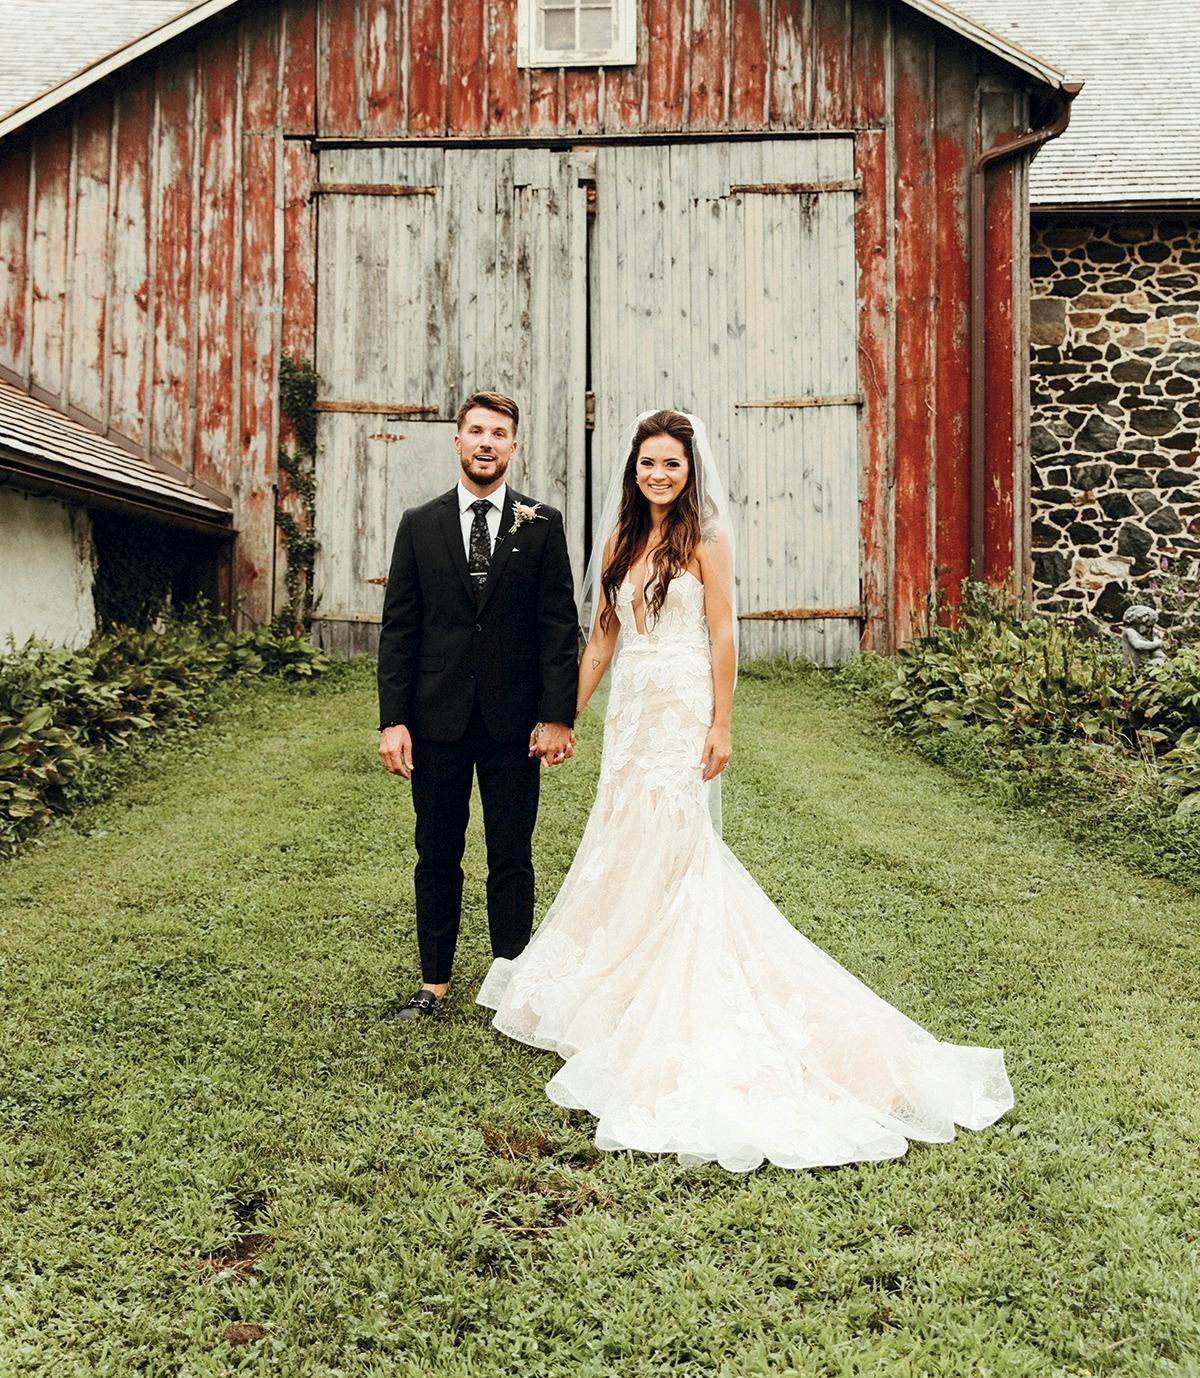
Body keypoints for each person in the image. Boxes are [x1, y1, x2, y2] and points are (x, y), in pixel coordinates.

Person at [477, 409, 1014, 1171]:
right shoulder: (622, 540)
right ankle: (620, 973)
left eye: (671, 464)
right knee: (622, 833)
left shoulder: (708, 541)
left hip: (682, 707)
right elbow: (601, 635)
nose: (658, 475)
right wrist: (562, 715)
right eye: (647, 464)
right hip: (633, 709)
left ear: (690, 470)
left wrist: (722, 723)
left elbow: (724, 634)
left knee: (676, 836)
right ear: (633, 470)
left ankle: (676, 974)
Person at [377, 391, 578, 1021]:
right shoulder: (420, 523)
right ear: (457, 442)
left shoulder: (541, 524)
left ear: (513, 447)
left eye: (499, 433)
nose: (486, 442)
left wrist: (557, 716)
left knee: (510, 854)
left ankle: (509, 981)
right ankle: (433, 982)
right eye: (476, 432)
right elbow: (400, 629)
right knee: (436, 850)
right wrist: (393, 719)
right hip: (436, 718)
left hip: (513, 722)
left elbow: (558, 626)